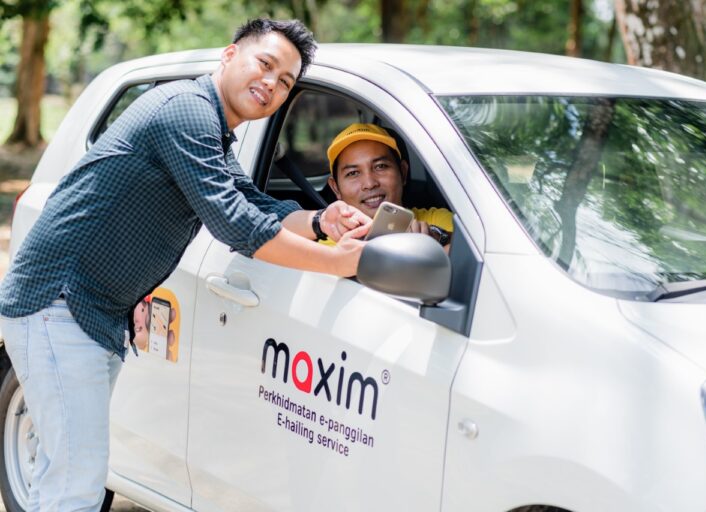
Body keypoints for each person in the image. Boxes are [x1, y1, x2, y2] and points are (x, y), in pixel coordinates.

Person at [0, 19, 370, 512]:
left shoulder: (211, 127)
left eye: (285, 81)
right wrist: (334, 263)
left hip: (91, 311)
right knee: (75, 486)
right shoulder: (187, 112)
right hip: (59, 305)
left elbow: (250, 200)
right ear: (230, 55)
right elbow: (237, 224)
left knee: (65, 477)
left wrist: (322, 219)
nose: (272, 84)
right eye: (265, 64)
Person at [323, 123, 453, 246]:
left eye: (380, 166)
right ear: (336, 188)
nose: (369, 183)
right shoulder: (327, 252)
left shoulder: (438, 222)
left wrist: (438, 238)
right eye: (353, 173)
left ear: (403, 173)